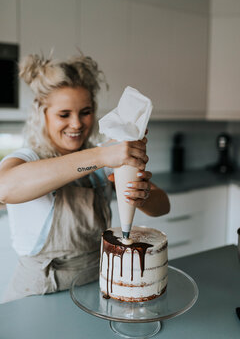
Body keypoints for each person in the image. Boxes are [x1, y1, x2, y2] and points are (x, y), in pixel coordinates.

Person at [0, 52, 170, 302]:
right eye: (64, 114)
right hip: (39, 296)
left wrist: (142, 198)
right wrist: (100, 156)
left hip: (97, 289)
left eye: (85, 111)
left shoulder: (105, 161)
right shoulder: (29, 158)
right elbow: (4, 188)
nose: (77, 124)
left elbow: (163, 206)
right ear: (42, 114)